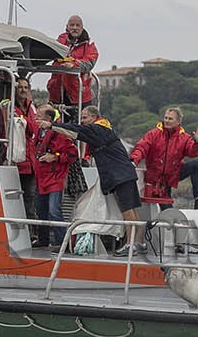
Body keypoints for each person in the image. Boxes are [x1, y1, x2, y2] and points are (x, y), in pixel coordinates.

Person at [53, 105, 145, 256]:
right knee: (132, 209)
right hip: (125, 173)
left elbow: (76, 131)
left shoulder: (97, 129)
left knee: (127, 210)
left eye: (85, 117)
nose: (82, 121)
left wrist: (52, 125)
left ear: (94, 117)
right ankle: (140, 243)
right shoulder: (105, 129)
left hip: (119, 175)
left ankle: (130, 244)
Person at [131, 107, 198, 210]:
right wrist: (133, 161)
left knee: (195, 165)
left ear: (178, 121)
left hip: (173, 174)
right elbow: (141, 148)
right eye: (166, 118)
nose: (167, 120)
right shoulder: (153, 134)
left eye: (170, 119)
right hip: (156, 178)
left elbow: (193, 153)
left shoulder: (184, 137)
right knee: (167, 210)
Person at [31, 107, 79, 250]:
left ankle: (62, 243)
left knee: (54, 210)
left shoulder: (60, 134)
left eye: (38, 116)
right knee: (41, 210)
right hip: (41, 176)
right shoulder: (38, 132)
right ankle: (43, 239)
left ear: (48, 119)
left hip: (55, 177)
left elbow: (72, 153)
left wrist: (55, 157)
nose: (35, 119)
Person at [46, 15, 99, 123]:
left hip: (79, 94)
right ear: (67, 27)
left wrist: (74, 64)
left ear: (82, 28)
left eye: (77, 25)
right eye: (72, 25)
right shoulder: (58, 42)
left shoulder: (89, 46)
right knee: (56, 125)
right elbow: (47, 54)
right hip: (57, 92)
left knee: (81, 125)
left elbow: (89, 63)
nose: (75, 28)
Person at [8, 81, 43, 242]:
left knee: (30, 198)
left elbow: (34, 129)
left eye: (25, 87)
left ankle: (31, 233)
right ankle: (17, 234)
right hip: (14, 162)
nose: (23, 90)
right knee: (14, 199)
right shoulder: (9, 106)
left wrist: (24, 121)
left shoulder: (31, 107)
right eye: (20, 87)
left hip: (29, 163)